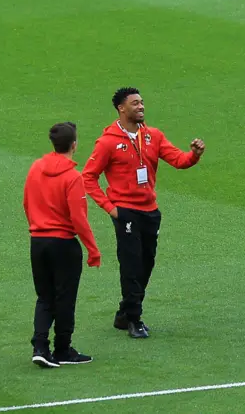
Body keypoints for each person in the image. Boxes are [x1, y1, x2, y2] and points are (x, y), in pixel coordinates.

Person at [82, 87, 205, 339]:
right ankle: (135, 319)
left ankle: (124, 313)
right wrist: (111, 208)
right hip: (125, 212)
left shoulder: (153, 136)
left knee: (146, 263)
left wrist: (194, 154)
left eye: (142, 103)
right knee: (131, 265)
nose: (141, 107)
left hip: (150, 211)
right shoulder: (107, 142)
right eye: (135, 103)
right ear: (121, 108)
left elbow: (179, 161)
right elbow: (88, 177)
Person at [23, 122, 102, 368]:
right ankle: (63, 349)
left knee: (44, 297)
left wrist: (38, 226)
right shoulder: (72, 177)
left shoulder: (36, 168)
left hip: (38, 242)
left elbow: (26, 203)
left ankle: (40, 346)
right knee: (65, 298)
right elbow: (78, 218)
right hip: (64, 245)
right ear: (74, 145)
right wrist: (93, 249)